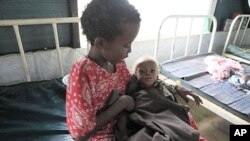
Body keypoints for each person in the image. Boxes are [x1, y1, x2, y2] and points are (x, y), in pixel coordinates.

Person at [65, 0, 141, 140]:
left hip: (124, 125)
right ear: (101, 43)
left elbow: (132, 86)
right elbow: (80, 134)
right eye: (126, 45)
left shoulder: (119, 63)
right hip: (99, 136)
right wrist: (121, 104)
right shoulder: (82, 73)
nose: (130, 50)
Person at [123, 55, 206, 141]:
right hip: (147, 116)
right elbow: (128, 102)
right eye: (142, 71)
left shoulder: (160, 85)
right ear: (135, 74)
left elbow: (171, 87)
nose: (148, 73)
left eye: (152, 71)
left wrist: (179, 89)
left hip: (166, 114)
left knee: (179, 129)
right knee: (146, 134)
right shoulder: (134, 87)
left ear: (157, 74)